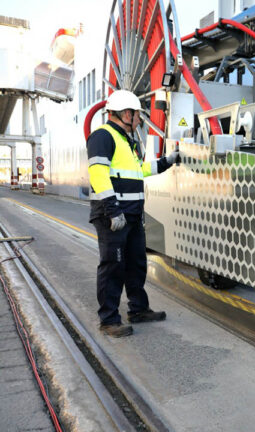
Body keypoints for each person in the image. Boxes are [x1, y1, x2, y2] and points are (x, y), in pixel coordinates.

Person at [87, 90, 179, 337]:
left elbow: (139, 171)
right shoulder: (103, 136)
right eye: (138, 114)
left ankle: (138, 309)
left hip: (132, 216)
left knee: (136, 264)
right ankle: (109, 320)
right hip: (112, 216)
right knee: (113, 267)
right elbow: (98, 174)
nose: (139, 119)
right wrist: (113, 210)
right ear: (126, 113)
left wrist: (166, 162)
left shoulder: (126, 141)